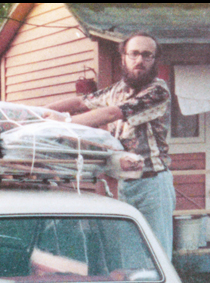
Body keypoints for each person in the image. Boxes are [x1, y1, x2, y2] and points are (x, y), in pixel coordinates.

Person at [47, 32, 176, 259]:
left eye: (147, 55)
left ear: (155, 60)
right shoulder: (117, 90)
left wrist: (63, 123)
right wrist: (37, 113)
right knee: (126, 254)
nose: (140, 60)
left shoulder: (158, 91)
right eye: (134, 54)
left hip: (152, 183)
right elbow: (80, 101)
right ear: (123, 57)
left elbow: (112, 113)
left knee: (156, 253)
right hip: (122, 182)